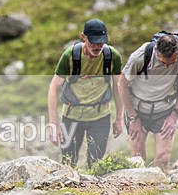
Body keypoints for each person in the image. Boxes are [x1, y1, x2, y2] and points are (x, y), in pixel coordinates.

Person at [47, 18, 124, 168]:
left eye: (101, 41)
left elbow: (118, 87)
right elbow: (53, 88)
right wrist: (54, 123)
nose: (98, 46)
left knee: (96, 163)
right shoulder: (70, 56)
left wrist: (119, 118)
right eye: (93, 42)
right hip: (71, 117)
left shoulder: (112, 56)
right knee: (68, 162)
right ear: (84, 37)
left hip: (100, 117)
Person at [118, 31, 178, 169]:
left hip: (164, 110)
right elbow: (122, 84)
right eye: (164, 62)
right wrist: (133, 117)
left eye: (173, 62)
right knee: (137, 159)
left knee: (163, 159)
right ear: (155, 51)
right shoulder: (139, 57)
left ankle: (162, 190)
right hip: (137, 110)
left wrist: (174, 115)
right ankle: (139, 190)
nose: (168, 67)